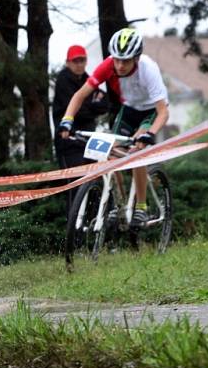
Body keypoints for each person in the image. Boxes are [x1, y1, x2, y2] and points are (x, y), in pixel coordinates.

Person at [58, 28, 169, 228]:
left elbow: (163, 112)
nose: (119, 65)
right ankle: (120, 204)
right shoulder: (108, 65)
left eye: (125, 61)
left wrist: (149, 133)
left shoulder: (148, 69)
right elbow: (80, 95)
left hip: (151, 111)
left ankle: (142, 207)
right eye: (116, 59)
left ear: (136, 58)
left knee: (136, 151)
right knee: (110, 151)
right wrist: (67, 119)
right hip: (128, 110)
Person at [51, 44, 108, 212]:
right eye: (75, 61)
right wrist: (90, 104)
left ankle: (92, 227)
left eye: (82, 60)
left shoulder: (88, 80)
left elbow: (105, 104)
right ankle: (73, 231)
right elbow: (78, 111)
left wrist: (86, 105)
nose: (79, 64)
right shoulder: (63, 80)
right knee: (75, 188)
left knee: (94, 185)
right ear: (67, 62)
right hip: (69, 142)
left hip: (89, 141)